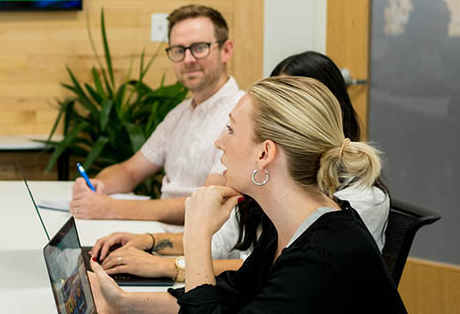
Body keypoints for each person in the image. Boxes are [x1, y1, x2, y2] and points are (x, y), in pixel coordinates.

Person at [88, 76, 430, 314]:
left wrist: (196, 236)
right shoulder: (297, 226)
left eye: (232, 129)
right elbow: (230, 297)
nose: (220, 141)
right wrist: (123, 302)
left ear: (264, 154)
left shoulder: (324, 257)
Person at [90, 51, 390, 281]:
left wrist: (165, 266)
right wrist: (149, 242)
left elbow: (262, 276)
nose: (221, 142)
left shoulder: (345, 211)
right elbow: (224, 246)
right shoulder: (268, 185)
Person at [70, 4, 243, 223]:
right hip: (160, 234)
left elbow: (210, 203)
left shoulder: (241, 114)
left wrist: (112, 209)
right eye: (179, 51)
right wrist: (98, 184)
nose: (188, 59)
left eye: (199, 47)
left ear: (226, 50)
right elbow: (130, 171)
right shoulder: (179, 114)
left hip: (200, 245)